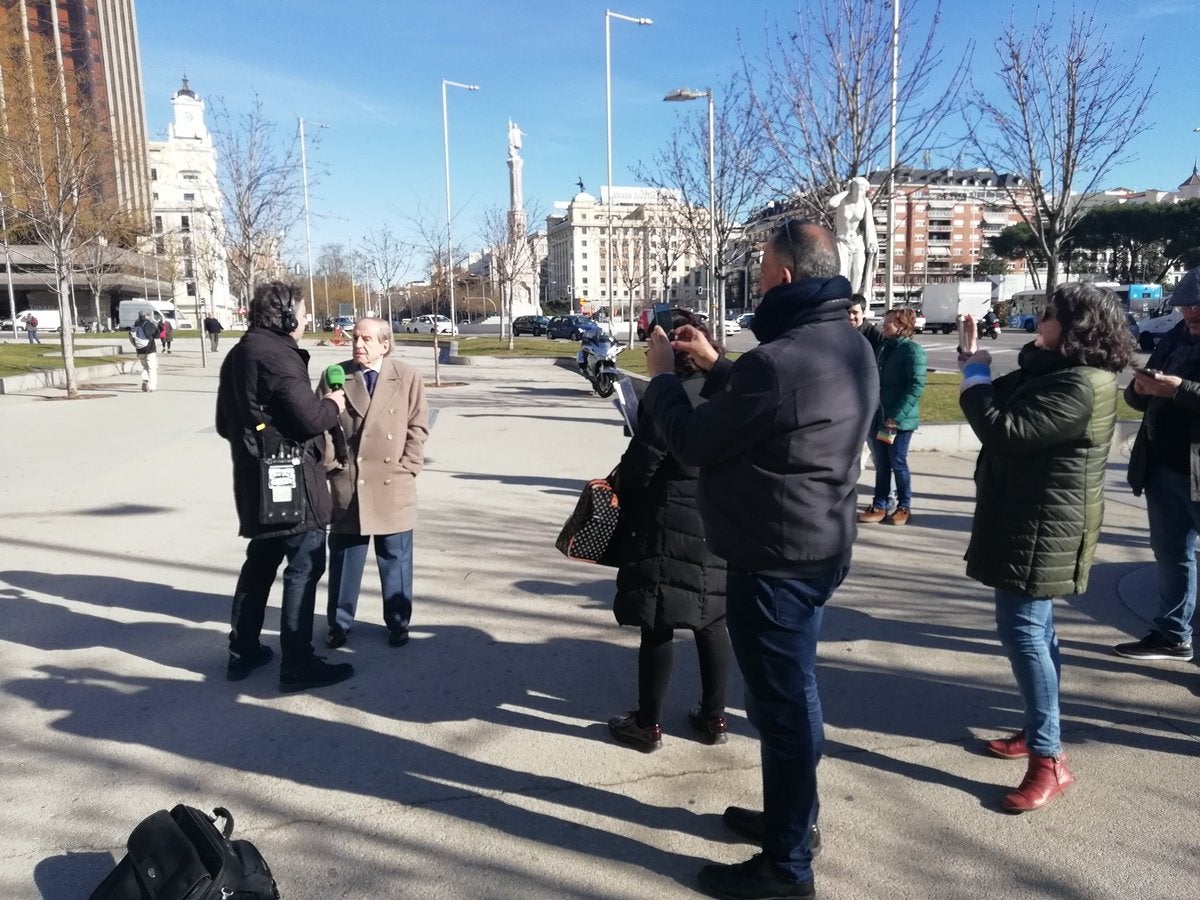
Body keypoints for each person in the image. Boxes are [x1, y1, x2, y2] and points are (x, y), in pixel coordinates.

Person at [642, 221, 877, 900]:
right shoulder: (849, 343)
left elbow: (692, 442)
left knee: (783, 709)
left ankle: (788, 867)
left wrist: (662, 380)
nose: (757, 276)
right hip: (816, 546)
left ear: (783, 277)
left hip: (776, 560)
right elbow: (782, 403)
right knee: (791, 697)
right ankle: (792, 824)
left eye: (762, 267)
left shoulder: (783, 360)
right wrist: (718, 367)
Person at [958, 283, 1132, 813]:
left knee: (1026, 634)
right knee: (1036, 633)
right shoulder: (1051, 369)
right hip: (1028, 518)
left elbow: (1003, 428)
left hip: (1044, 526)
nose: (1040, 319)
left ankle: (1049, 759)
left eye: (1050, 315)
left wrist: (973, 376)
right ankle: (1039, 730)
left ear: (1076, 327)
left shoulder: (1081, 384)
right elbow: (1004, 391)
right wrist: (973, 359)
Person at [215, 281, 354, 694]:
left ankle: (243, 650)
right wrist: (334, 405)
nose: (308, 318)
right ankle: (297, 661)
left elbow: (225, 424)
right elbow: (311, 418)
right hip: (290, 481)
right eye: (304, 311)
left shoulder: (241, 351)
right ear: (286, 315)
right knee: (304, 566)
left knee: (259, 564)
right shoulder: (276, 355)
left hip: (255, 478)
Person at [606, 309, 730, 753]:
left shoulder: (668, 400)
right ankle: (715, 717)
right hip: (717, 520)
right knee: (713, 620)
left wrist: (619, 474)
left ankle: (648, 723)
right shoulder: (726, 391)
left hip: (665, 523)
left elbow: (642, 469)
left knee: (657, 623)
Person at [319, 317, 429, 650]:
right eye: (355, 337)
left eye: (367, 339)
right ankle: (339, 624)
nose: (358, 344)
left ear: (385, 344)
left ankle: (398, 622)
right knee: (344, 561)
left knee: (395, 559)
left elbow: (417, 426)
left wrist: (408, 466)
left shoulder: (407, 376)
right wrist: (332, 465)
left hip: (392, 482)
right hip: (349, 482)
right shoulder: (334, 375)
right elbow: (321, 426)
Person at [1115, 265, 1200, 663]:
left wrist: (1179, 389)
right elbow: (1141, 400)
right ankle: (1172, 635)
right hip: (1162, 462)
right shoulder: (1174, 336)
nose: (1191, 314)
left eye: (1198, 306)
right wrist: (1140, 388)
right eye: (1185, 306)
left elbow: (1181, 391)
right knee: (1171, 554)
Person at [858, 307, 927, 526]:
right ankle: (880, 504)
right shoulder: (883, 348)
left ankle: (904, 506)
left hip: (898, 420)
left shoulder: (912, 351)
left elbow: (916, 386)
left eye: (890, 322)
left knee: (898, 461)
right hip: (879, 416)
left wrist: (897, 416)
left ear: (903, 327)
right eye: (885, 321)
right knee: (882, 463)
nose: (884, 325)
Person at [829, 177, 877, 297]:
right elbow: (831, 203)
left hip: (857, 240)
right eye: (856, 189)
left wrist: (871, 242)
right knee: (842, 272)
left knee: (858, 271)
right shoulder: (843, 200)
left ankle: (853, 299)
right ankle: (841, 296)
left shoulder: (865, 203)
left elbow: (869, 224)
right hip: (842, 241)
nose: (859, 192)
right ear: (852, 188)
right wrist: (845, 192)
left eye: (862, 190)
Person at [131, 312, 159, 392]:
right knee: (152, 368)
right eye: (148, 315)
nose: (149, 316)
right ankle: (152, 386)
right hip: (150, 349)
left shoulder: (136, 324)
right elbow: (157, 335)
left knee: (145, 366)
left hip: (140, 350)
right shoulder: (149, 324)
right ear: (145, 316)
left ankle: (145, 380)